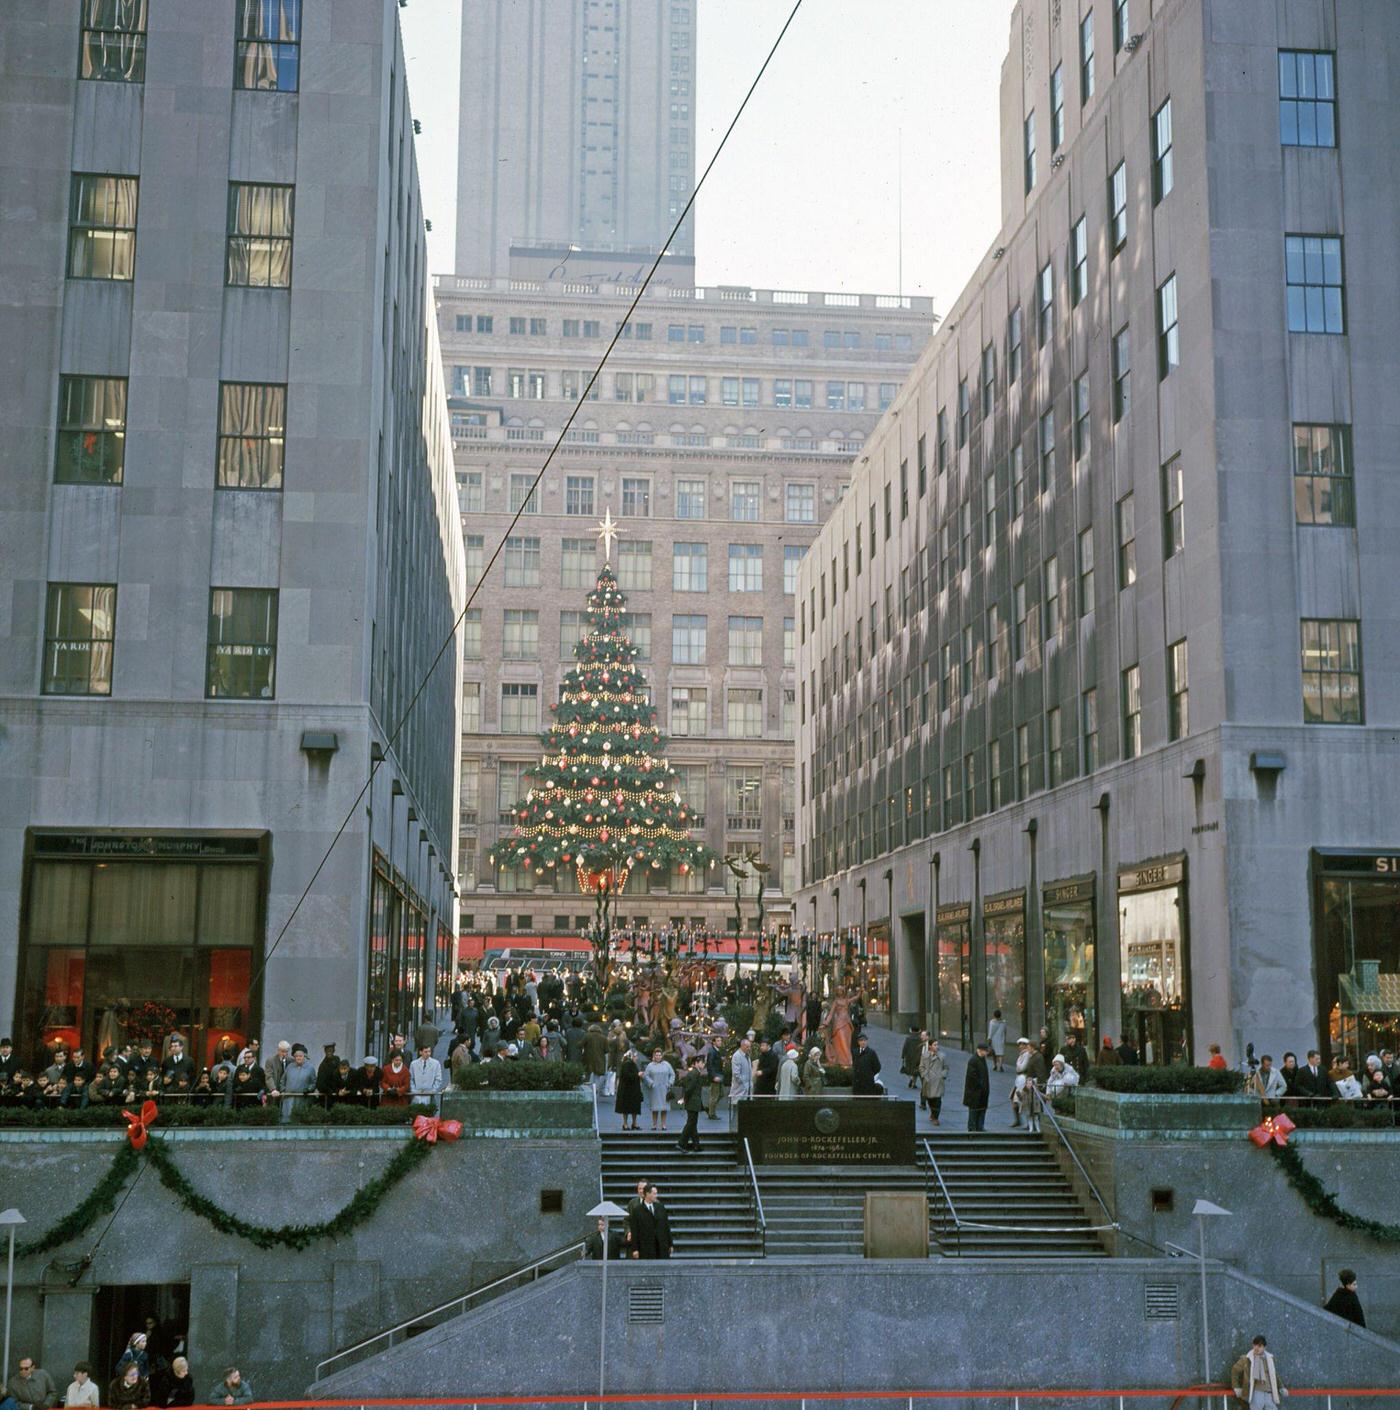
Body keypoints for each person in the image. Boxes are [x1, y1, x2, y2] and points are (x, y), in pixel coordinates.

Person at [1230, 1335, 1286, 1409]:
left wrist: (1281, 1387)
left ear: (1264, 1347)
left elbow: (1274, 1375)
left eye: (1259, 1346)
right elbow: (1235, 1370)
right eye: (1255, 1345)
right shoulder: (1247, 1359)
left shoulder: (1269, 1359)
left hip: (1269, 1393)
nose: (1256, 1348)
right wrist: (1236, 1387)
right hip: (1256, 1392)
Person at [271, 1042, 318, 1119]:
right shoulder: (290, 1067)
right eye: (296, 1056)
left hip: (302, 1099)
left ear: (304, 1056)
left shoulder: (310, 1068)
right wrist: (283, 1090)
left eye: (300, 1056)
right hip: (288, 1099)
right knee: (286, 1119)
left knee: (300, 1120)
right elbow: (282, 1081)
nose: (298, 1058)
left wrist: (309, 1089)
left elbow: (314, 1082)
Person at [628, 1184, 672, 1259]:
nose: (656, 1196)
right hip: (646, 1248)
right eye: (654, 1193)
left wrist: (670, 1244)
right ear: (647, 1194)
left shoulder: (660, 1207)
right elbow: (635, 1231)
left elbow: (666, 1226)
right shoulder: (637, 1210)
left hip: (661, 1247)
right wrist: (635, 1249)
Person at [642, 1048, 676, 1132]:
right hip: (655, 1089)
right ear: (654, 1056)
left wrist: (670, 1083)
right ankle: (654, 1124)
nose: (658, 1057)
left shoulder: (667, 1064)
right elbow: (646, 1075)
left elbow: (672, 1074)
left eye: (659, 1055)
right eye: (656, 1055)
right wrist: (651, 1083)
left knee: (664, 1108)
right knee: (655, 1108)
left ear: (662, 1056)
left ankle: (663, 1124)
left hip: (665, 1088)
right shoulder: (650, 1065)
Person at [676, 1055, 705, 1152]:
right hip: (692, 1102)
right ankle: (681, 1143)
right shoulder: (694, 1073)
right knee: (691, 1123)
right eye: (702, 1062)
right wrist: (685, 1099)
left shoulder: (694, 1072)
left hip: (692, 1101)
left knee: (693, 1123)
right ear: (696, 1063)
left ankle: (696, 1145)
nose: (703, 1064)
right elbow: (689, 1089)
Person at [919, 1037, 950, 1125]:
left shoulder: (942, 1056)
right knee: (930, 1099)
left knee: (937, 1100)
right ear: (930, 1046)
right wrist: (924, 1075)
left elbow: (946, 1067)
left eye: (937, 1044)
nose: (936, 1046)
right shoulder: (925, 1055)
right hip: (928, 1081)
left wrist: (942, 1075)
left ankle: (936, 1117)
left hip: (938, 1081)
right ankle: (933, 1113)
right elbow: (921, 1067)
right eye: (934, 1045)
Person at [964, 1039, 991, 1131]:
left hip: (982, 1091)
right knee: (974, 1110)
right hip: (975, 1091)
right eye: (985, 1051)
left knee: (982, 1109)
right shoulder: (973, 1060)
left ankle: (980, 1126)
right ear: (979, 1050)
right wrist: (981, 1085)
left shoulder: (982, 1059)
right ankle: (972, 1127)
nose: (986, 1053)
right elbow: (972, 1077)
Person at [614, 1046, 642, 1131]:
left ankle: (632, 1124)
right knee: (628, 1108)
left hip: (631, 1089)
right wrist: (637, 1075)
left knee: (631, 1108)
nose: (636, 1058)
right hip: (628, 1090)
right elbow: (627, 1076)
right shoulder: (627, 1064)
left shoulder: (629, 1063)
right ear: (631, 1056)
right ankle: (627, 1124)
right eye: (635, 1056)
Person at [728, 1035, 753, 1106]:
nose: (749, 1048)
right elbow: (736, 1074)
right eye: (747, 1047)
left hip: (747, 1090)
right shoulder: (737, 1056)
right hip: (739, 1090)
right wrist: (744, 1084)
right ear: (742, 1046)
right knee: (736, 1113)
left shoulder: (747, 1056)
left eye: (749, 1047)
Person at [703, 1039, 725, 1119]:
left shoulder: (716, 1051)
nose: (720, 1042)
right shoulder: (712, 1052)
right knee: (714, 1096)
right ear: (714, 1042)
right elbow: (710, 1065)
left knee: (721, 1094)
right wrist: (713, 1076)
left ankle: (709, 1108)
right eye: (718, 1041)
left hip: (719, 1076)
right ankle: (711, 1114)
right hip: (715, 1077)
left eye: (720, 1040)